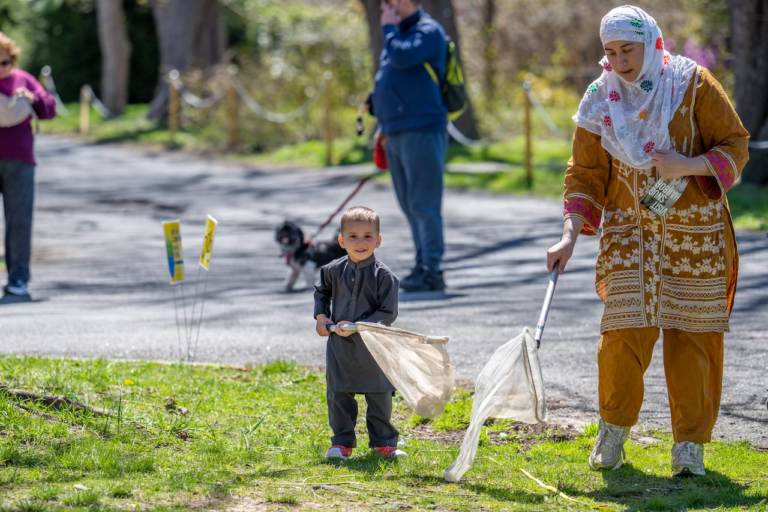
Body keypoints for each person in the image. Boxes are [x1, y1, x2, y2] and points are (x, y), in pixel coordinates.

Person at [546, 6, 748, 477]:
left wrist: (687, 165)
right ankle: (613, 432)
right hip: (627, 234)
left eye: (627, 49)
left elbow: (735, 144)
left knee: (693, 340)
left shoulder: (692, 84)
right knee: (620, 336)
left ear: (651, 42)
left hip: (695, 236)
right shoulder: (600, 98)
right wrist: (568, 235)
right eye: (610, 52)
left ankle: (689, 448)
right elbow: (585, 174)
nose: (619, 61)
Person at [314, 206, 406, 459]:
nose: (360, 242)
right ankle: (341, 443)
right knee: (339, 393)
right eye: (353, 236)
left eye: (367, 236)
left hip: (374, 346)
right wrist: (322, 317)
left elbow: (388, 312)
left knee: (379, 395)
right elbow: (321, 294)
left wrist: (359, 326)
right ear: (341, 241)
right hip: (340, 346)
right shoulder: (332, 270)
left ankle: (384, 443)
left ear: (378, 240)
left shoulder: (385, 276)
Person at [372, 0, 448, 292]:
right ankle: (422, 265)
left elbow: (404, 57)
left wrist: (389, 28)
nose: (383, 9)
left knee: (423, 204)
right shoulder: (398, 34)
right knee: (408, 204)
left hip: (422, 129)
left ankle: (433, 269)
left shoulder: (428, 31)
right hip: (396, 131)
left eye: (388, 4)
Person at [0, 32, 56, 299]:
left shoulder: (25, 80)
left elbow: (50, 109)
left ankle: (18, 278)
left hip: (20, 160)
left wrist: (33, 99)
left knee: (19, 220)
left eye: (6, 61)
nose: (3, 67)